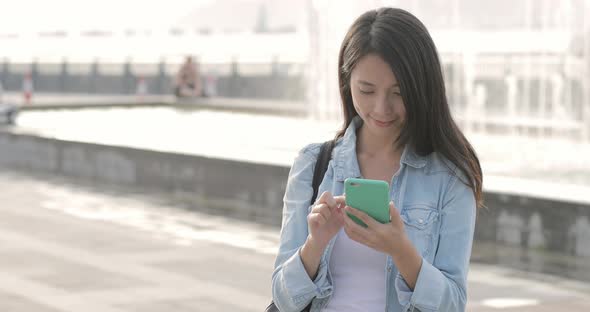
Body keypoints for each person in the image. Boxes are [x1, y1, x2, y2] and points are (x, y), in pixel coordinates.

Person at [271, 7, 483, 312]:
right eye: (367, 90)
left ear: (423, 89)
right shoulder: (312, 164)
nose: (382, 108)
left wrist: (401, 251)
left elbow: (453, 304)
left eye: (398, 93)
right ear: (347, 82)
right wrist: (314, 245)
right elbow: (283, 298)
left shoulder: (451, 177)